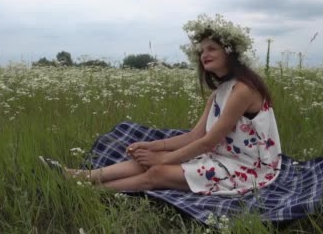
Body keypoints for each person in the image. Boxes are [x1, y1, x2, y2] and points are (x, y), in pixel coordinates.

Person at [59, 14, 282, 195]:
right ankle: (81, 177)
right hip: (220, 157)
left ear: (229, 51)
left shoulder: (243, 89)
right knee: (146, 160)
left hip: (249, 168)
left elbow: (208, 142)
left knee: (157, 173)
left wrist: (162, 158)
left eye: (211, 48)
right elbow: (195, 136)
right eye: (202, 50)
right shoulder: (218, 93)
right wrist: (150, 147)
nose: (204, 54)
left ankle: (87, 193)